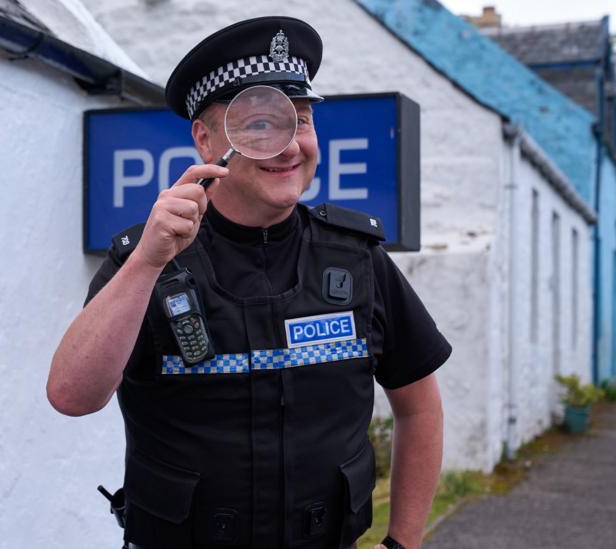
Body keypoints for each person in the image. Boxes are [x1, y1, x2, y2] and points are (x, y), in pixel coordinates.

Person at [47, 15, 450, 549]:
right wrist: (146, 263)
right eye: (261, 124)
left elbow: (419, 406)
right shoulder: (149, 258)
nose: (289, 146)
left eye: (300, 121)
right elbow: (72, 395)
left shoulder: (358, 258)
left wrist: (403, 543)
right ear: (205, 139)